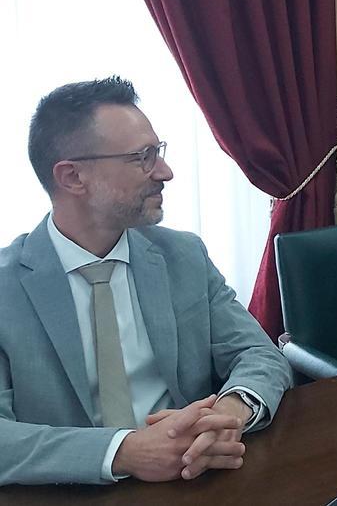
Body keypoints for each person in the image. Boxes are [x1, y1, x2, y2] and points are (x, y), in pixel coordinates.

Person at [0, 77, 292, 486]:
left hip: (194, 479)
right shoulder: (7, 286)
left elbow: (260, 356)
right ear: (71, 178)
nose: (166, 172)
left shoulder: (183, 256)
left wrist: (228, 414)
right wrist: (123, 451)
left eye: (159, 152)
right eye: (143, 157)